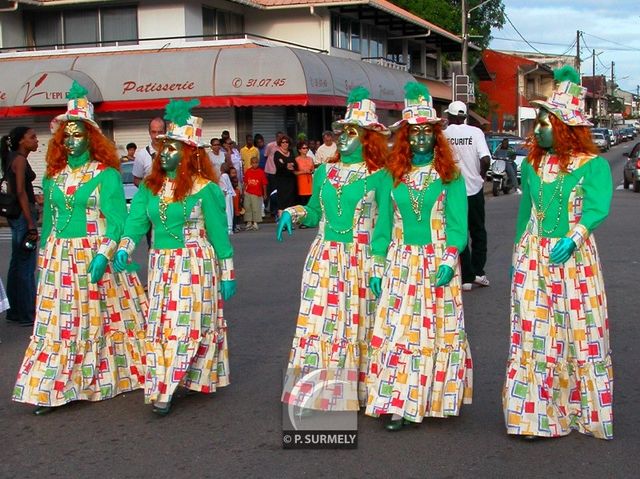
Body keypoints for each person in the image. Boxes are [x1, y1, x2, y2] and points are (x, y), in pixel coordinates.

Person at [12, 82, 147, 415]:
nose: (71, 140)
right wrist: (44, 255)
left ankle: (101, 376)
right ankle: (49, 386)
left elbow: (117, 221)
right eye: (66, 135)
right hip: (59, 257)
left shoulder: (107, 175)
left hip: (94, 254)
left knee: (96, 321)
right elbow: (50, 223)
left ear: (92, 137)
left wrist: (104, 253)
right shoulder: (53, 177)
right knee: (57, 323)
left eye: (78, 134)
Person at [503, 66, 613, 440]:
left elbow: (598, 207)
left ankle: (581, 412)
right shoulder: (532, 165)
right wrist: (517, 255)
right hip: (534, 257)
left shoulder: (592, 165)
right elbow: (525, 213)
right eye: (538, 122)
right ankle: (533, 417)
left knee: (579, 333)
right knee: (534, 334)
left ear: (565, 127)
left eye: (545, 123)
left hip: (575, 259)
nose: (537, 130)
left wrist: (576, 236)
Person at [114, 99, 236, 416]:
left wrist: (228, 272)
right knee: (162, 326)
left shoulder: (204, 187)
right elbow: (136, 221)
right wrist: (124, 248)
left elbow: (220, 233)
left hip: (195, 263)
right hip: (161, 265)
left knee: (185, 326)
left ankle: (165, 388)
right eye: (164, 147)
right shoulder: (151, 187)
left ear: (189, 154)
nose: (164, 153)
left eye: (173, 148)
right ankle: (171, 378)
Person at [365, 83, 472, 431]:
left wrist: (449, 258)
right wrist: (377, 264)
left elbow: (458, 224)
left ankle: (431, 398)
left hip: (437, 262)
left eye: (428, 132)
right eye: (415, 133)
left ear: (437, 137)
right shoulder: (389, 177)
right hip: (400, 262)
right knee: (398, 333)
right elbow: (381, 227)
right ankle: (398, 402)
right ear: (406, 138)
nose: (422, 139)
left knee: (435, 333)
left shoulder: (450, 176)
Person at [278, 86, 388, 411]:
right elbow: (314, 212)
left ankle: (363, 391)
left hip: (361, 260)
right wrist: (292, 213)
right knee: (319, 322)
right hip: (324, 258)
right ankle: (321, 391)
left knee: (357, 324)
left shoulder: (380, 177)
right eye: (342, 130)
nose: (344, 136)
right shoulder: (324, 170)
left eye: (353, 131)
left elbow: (384, 228)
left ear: (368, 137)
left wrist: (380, 264)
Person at [444, 100, 491, 291]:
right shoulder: (475, 132)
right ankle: (479, 272)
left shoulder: (444, 135)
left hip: (452, 190)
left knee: (458, 230)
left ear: (451, 116)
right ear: (464, 116)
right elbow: (485, 159)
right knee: (478, 230)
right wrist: (481, 176)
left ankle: (465, 276)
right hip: (474, 189)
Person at [0, 127, 39, 326]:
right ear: (22, 141)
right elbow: (21, 192)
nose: (36, 140)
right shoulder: (20, 160)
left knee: (17, 263)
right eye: (32, 137)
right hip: (24, 216)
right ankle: (28, 312)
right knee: (26, 265)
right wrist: (31, 223)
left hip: (16, 216)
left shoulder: (11, 158)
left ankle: (14, 310)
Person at [273, 135, 297, 218]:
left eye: (287, 142)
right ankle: (282, 221)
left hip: (290, 180)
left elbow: (295, 164)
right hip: (281, 180)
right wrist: (287, 165)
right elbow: (279, 166)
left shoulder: (291, 152)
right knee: (282, 201)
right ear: (280, 143)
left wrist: (286, 164)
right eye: (283, 142)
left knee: (290, 200)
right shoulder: (277, 153)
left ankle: (289, 222)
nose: (285, 144)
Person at [243, 155, 267, 230]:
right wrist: (243, 191)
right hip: (248, 192)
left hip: (257, 193)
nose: (255, 164)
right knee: (247, 207)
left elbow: (264, 184)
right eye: (253, 163)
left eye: (256, 163)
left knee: (256, 208)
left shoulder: (261, 172)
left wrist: (265, 193)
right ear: (251, 163)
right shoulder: (248, 171)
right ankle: (249, 222)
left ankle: (255, 222)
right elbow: (245, 182)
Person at [294, 140, 314, 206]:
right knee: (302, 203)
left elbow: (313, 170)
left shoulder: (310, 159)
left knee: (310, 203)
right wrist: (304, 172)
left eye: (307, 148)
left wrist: (311, 171)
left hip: (310, 184)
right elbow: (294, 172)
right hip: (301, 184)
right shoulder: (296, 159)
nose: (306, 149)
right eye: (304, 148)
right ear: (299, 150)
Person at [218, 162, 236, 234]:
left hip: (226, 195)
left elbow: (223, 187)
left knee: (227, 211)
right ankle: (230, 228)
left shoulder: (223, 176)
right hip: (229, 195)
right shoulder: (227, 176)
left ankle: (228, 228)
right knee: (230, 211)